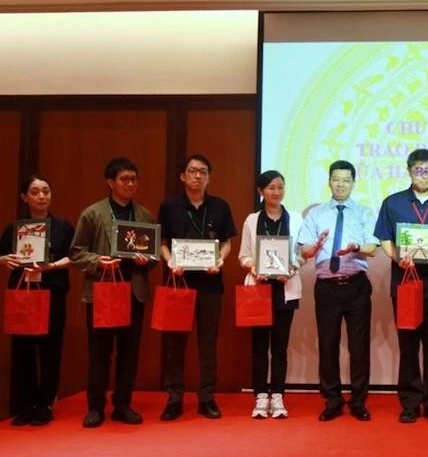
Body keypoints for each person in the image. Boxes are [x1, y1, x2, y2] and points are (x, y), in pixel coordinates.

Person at [374, 149, 428, 424]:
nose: (424, 174)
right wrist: (398, 258)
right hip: (405, 285)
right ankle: (410, 403)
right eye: (418, 169)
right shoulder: (393, 202)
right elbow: (385, 238)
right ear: (409, 171)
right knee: (408, 346)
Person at [69, 157, 156, 428]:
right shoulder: (92, 213)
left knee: (129, 353)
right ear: (110, 182)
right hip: (103, 291)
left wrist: (147, 260)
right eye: (124, 179)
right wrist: (98, 262)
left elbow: (153, 256)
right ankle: (95, 408)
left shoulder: (143, 215)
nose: (130, 184)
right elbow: (76, 253)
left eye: (134, 179)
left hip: (134, 290)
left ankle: (122, 405)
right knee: (99, 352)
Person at [297, 160, 378, 422]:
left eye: (346, 180)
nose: (340, 184)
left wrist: (355, 247)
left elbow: (372, 248)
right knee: (328, 345)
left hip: (356, 286)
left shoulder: (364, 212)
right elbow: (304, 251)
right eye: (336, 179)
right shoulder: (317, 214)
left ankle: (358, 401)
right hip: (327, 288)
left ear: (353, 183)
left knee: (359, 347)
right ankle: (332, 400)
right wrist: (316, 245)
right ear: (329, 181)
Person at [157, 154, 236, 421]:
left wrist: (220, 260)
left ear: (209, 177)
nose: (197, 176)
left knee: (208, 343)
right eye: (192, 171)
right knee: (174, 344)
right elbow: (162, 241)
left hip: (210, 284)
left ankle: (207, 398)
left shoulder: (220, 206)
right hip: (177, 282)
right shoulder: (169, 206)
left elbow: (226, 242)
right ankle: (174, 398)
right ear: (183, 176)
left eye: (203, 171)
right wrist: (170, 263)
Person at [0, 175, 73, 426]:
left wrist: (51, 265)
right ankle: (26, 405)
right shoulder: (14, 228)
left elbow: (75, 257)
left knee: (50, 350)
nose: (41, 196)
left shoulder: (63, 227)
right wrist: (3, 260)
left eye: (46, 191)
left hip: (52, 292)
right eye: (35, 192)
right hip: (24, 293)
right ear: (24, 197)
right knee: (23, 350)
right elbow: (2, 256)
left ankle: (45, 404)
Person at [238, 171, 304, 419]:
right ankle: (260, 396)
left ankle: (277, 395)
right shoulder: (252, 220)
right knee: (258, 346)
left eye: (280, 187)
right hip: (259, 288)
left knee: (280, 346)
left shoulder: (296, 219)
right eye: (271, 188)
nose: (276, 192)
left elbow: (301, 255)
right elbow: (243, 255)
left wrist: (293, 268)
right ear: (260, 192)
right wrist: (254, 268)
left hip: (286, 290)